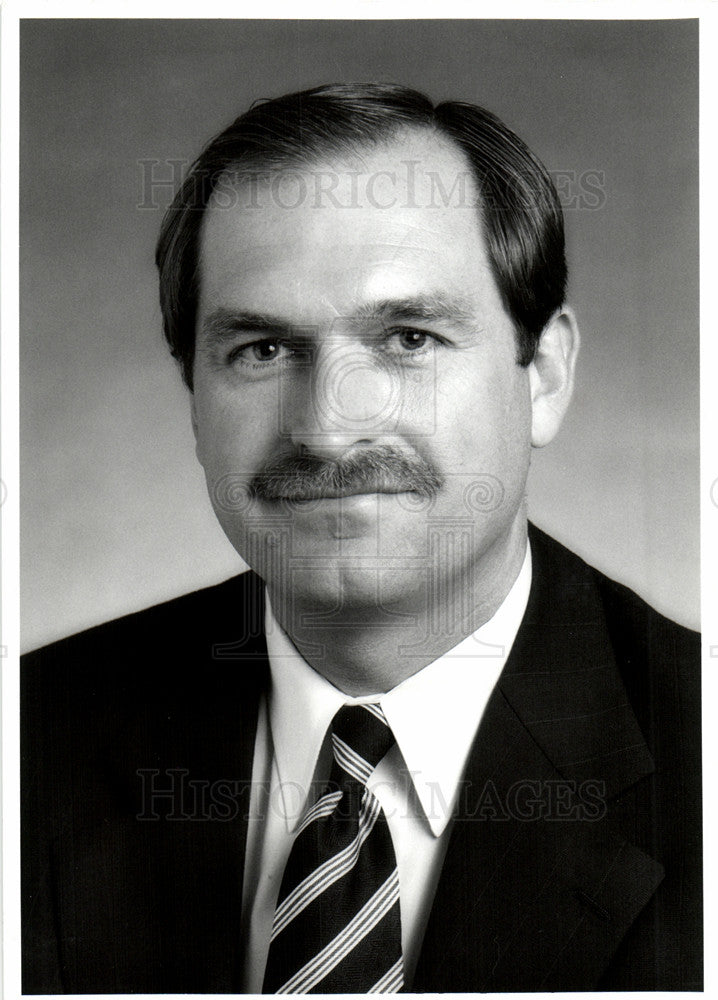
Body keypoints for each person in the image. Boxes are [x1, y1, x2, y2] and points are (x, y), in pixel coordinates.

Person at [21, 83, 701, 993]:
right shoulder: (27, 743)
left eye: (408, 339)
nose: (330, 431)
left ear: (540, 374)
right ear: (195, 398)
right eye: (263, 350)